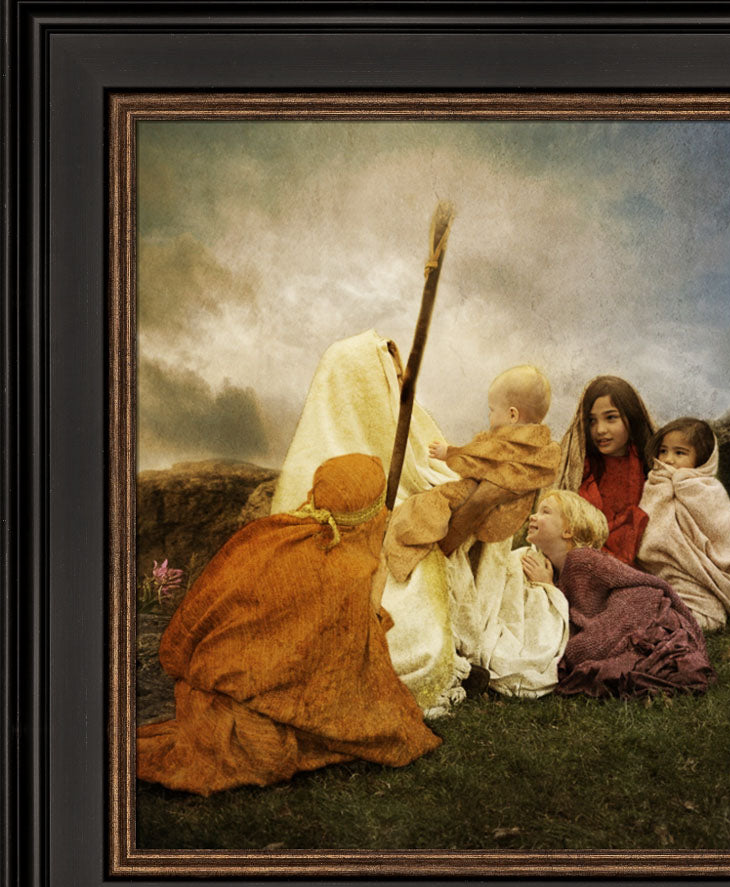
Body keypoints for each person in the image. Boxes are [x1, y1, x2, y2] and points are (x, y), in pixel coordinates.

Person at [136, 454, 442, 796]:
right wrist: (376, 585)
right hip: (242, 689)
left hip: (207, 679)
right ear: (369, 516)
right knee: (271, 750)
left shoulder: (275, 532)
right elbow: (345, 658)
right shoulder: (347, 571)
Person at [269, 329, 471, 717]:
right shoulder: (316, 452)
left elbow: (428, 475)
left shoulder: (403, 427)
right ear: (357, 385)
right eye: (388, 380)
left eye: (400, 378)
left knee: (417, 561)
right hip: (342, 571)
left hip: (392, 551)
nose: (398, 389)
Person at [522, 490, 714, 699]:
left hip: (637, 605)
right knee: (573, 651)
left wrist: (548, 585)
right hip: (608, 617)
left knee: (578, 651)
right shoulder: (557, 569)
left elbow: (633, 581)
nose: (533, 517)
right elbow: (572, 616)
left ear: (568, 531)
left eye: (545, 512)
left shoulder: (582, 559)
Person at [384, 364, 561, 583]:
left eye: (492, 410)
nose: (489, 416)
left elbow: (482, 458)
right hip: (503, 523)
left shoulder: (508, 443)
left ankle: (404, 546)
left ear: (512, 414)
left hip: (485, 509)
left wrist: (449, 452)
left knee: (433, 502)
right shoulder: (538, 449)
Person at [636, 418, 730, 632]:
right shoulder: (655, 483)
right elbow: (649, 524)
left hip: (699, 574)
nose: (668, 459)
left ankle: (691, 609)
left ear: (702, 460)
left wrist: (684, 486)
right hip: (660, 567)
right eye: (663, 451)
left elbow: (722, 530)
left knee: (698, 613)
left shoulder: (707, 489)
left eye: (679, 453)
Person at [556, 375, 656, 565]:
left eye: (611, 418)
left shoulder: (654, 469)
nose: (600, 429)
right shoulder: (579, 472)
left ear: (631, 417)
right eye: (592, 421)